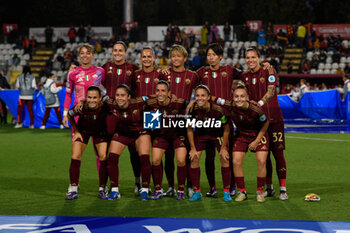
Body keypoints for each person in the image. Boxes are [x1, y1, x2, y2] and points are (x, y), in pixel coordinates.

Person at [241, 47, 288, 201]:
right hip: (259, 122)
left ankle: (283, 189)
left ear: (259, 58)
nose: (250, 60)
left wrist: (259, 103)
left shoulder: (269, 70)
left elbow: (271, 91)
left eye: (253, 57)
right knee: (264, 156)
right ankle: (269, 188)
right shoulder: (244, 76)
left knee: (278, 153)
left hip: (274, 119)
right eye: (248, 58)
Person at [63, 44, 105, 194]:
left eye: (88, 53)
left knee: (100, 155)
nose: (85, 55)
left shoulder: (101, 72)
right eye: (82, 53)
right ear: (79, 55)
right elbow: (68, 94)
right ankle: (74, 185)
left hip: (97, 118)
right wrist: (65, 113)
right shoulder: (73, 74)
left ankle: (102, 186)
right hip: (79, 118)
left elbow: (106, 91)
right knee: (76, 153)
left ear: (93, 55)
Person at [101, 41, 141, 195]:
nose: (117, 53)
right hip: (110, 113)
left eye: (120, 50)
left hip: (129, 113)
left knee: (134, 150)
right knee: (107, 152)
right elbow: (97, 81)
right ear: (112, 52)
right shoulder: (106, 67)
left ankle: (138, 182)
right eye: (115, 50)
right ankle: (108, 185)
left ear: (125, 53)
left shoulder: (133, 68)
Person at [161, 44, 200, 197]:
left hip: (185, 119)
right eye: (173, 56)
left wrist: (193, 101)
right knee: (168, 155)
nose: (175, 59)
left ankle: (188, 186)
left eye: (178, 56)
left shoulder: (193, 75)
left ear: (185, 58)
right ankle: (171, 187)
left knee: (186, 155)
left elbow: (201, 92)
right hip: (168, 119)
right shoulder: (164, 74)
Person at [105, 84, 152, 200]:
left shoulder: (139, 102)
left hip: (140, 132)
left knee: (144, 158)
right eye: (117, 95)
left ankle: (145, 189)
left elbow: (155, 99)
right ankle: (115, 190)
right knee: (111, 158)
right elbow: (99, 99)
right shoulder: (111, 103)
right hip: (123, 133)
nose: (119, 98)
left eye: (122, 95)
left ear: (129, 96)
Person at [186, 85, 231, 202]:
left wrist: (224, 148)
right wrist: (192, 148)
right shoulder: (193, 109)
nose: (200, 98)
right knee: (194, 158)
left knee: (224, 157)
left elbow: (226, 128)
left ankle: (227, 192)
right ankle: (197, 192)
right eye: (197, 95)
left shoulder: (218, 110)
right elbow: (189, 128)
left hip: (218, 134)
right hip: (201, 135)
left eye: (203, 95)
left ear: (209, 97)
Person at [65, 86, 109, 200]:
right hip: (83, 131)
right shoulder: (81, 107)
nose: (92, 100)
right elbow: (69, 115)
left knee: (103, 156)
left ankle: (102, 188)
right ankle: (73, 189)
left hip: (100, 133)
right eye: (89, 97)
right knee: (75, 155)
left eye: (95, 97)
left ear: (100, 98)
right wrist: (77, 131)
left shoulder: (105, 105)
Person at [147, 81, 188, 200]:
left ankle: (180, 190)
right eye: (158, 91)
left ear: (169, 93)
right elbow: (150, 124)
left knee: (181, 161)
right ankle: (158, 190)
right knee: (155, 160)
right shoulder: (151, 104)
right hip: (161, 136)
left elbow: (192, 105)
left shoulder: (179, 104)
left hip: (177, 135)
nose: (160, 93)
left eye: (163, 91)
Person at [228, 85, 269, 202]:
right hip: (242, 135)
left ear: (247, 97)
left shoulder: (256, 109)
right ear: (233, 98)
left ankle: (260, 192)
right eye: (236, 96)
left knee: (261, 161)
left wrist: (256, 141)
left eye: (242, 96)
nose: (239, 99)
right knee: (236, 161)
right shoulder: (230, 106)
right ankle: (242, 192)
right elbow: (213, 99)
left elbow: (265, 124)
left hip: (258, 134)